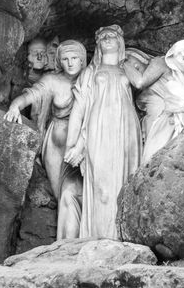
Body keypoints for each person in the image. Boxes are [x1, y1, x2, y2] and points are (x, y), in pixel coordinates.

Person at [4, 40, 87, 240]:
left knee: (80, 192)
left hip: (85, 143)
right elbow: (31, 94)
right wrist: (15, 106)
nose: (70, 63)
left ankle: (81, 237)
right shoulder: (52, 80)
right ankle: (66, 242)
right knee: (62, 195)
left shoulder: (92, 79)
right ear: (58, 60)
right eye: (65, 59)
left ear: (83, 60)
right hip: (56, 145)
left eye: (74, 58)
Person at [64, 25, 141, 240]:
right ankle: (100, 238)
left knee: (126, 184)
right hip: (98, 128)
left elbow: (151, 81)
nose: (107, 39)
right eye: (102, 37)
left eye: (112, 36)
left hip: (126, 128)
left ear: (120, 42)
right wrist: (74, 144)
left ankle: (123, 237)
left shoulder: (128, 68)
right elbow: (79, 108)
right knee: (101, 185)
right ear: (97, 44)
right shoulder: (91, 72)